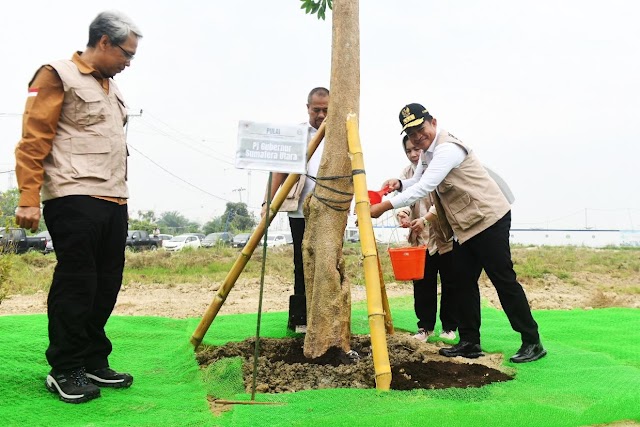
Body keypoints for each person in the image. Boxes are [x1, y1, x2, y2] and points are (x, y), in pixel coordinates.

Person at [14, 11, 142, 403]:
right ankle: (65, 367)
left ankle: (90, 358)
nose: (128, 62)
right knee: (78, 281)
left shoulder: (113, 88)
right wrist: (28, 196)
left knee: (106, 282)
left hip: (113, 198)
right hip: (72, 197)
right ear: (103, 41)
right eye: (126, 53)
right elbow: (34, 139)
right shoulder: (56, 74)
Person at [371, 103, 546, 364]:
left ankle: (532, 340)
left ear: (433, 122)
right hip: (464, 226)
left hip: (488, 219)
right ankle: (469, 342)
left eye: (420, 129)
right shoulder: (427, 154)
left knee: (503, 280)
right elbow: (417, 181)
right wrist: (398, 184)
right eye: (411, 134)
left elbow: (426, 186)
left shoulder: (447, 149)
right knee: (460, 281)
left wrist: (384, 206)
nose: (418, 137)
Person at [261, 87, 329, 333]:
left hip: (329, 212)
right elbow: (279, 170)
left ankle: (325, 316)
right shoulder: (297, 134)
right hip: (299, 210)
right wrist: (267, 202)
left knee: (328, 262)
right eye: (316, 110)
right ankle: (301, 317)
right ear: (308, 108)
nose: (321, 115)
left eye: (326, 110)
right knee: (301, 261)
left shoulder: (340, 135)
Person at [396, 135, 458, 342]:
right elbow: (406, 199)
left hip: (444, 237)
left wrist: (424, 218)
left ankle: (449, 327)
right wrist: (403, 213)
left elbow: (441, 202)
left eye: (416, 149)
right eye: (408, 151)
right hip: (421, 239)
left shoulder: (438, 166)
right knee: (422, 285)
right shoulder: (407, 173)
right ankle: (424, 327)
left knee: (450, 283)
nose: (413, 154)